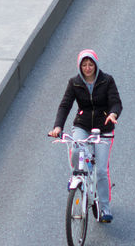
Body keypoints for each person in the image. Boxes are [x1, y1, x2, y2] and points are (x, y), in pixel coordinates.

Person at [48, 50, 121, 222]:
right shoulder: (74, 83)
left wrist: (113, 115)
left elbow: (116, 103)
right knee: (75, 149)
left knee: (102, 170)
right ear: (80, 66)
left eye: (90, 65)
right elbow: (65, 105)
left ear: (96, 65)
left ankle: (104, 208)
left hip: (103, 128)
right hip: (83, 124)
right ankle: (77, 175)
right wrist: (57, 127)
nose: (87, 68)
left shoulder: (107, 80)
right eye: (84, 65)